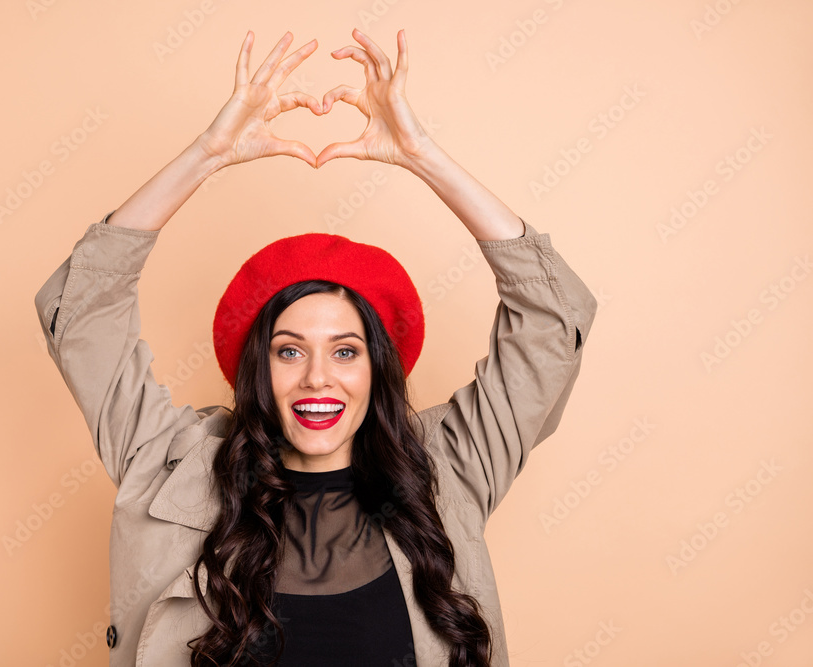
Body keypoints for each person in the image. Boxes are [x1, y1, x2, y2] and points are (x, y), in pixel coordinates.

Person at [34, 28, 597, 667]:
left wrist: (422, 155)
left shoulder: (451, 468)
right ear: (258, 370)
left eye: (346, 351)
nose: (317, 379)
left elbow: (554, 316)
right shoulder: (176, 469)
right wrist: (208, 154)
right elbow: (77, 312)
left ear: (378, 368)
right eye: (290, 351)